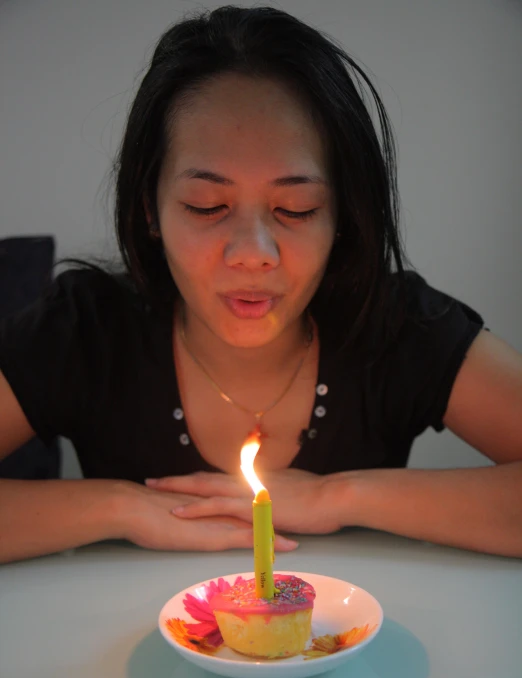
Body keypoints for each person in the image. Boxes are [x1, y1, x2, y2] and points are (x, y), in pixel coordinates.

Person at [1, 6, 521, 565]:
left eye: (295, 209)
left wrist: (337, 496)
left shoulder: (395, 325)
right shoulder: (86, 330)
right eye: (207, 206)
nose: (253, 254)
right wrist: (120, 507)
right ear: (150, 208)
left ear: (342, 214)